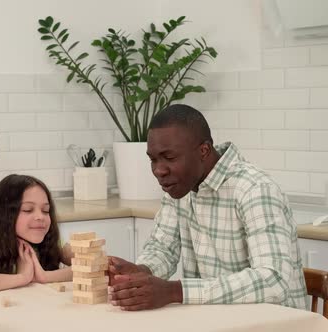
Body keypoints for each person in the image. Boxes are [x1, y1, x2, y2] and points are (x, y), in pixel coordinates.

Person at [108, 104, 308, 311]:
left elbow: (273, 280)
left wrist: (175, 291)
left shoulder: (255, 190)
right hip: (216, 320)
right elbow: (162, 249)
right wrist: (141, 271)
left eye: (169, 158)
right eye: (153, 159)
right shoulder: (179, 186)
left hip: (276, 323)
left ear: (203, 151)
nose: (159, 170)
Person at [0, 174, 73, 292]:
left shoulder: (49, 239)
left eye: (45, 211)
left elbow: (89, 264)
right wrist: (22, 278)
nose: (40, 217)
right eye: (28, 210)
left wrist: (45, 276)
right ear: (4, 214)